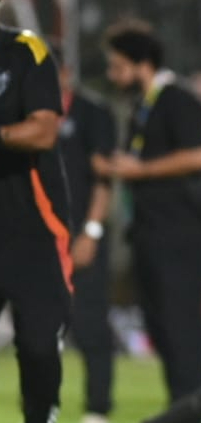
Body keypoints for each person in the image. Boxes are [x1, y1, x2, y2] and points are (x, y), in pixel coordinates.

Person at [96, 19, 201, 407]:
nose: (112, 75)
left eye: (117, 66)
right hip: (151, 229)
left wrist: (140, 169)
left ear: (140, 63)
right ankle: (179, 403)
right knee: (160, 321)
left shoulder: (177, 99)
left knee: (180, 320)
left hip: (182, 231)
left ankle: (191, 403)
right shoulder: (144, 106)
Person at [0, 25, 73, 423]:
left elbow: (44, 130)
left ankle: (42, 413)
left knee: (40, 345)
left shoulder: (26, 51)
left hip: (31, 227)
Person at [53, 47, 117, 423]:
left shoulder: (93, 114)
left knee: (91, 322)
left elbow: (103, 178)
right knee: (36, 328)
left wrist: (91, 232)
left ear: (66, 72)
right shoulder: (21, 110)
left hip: (80, 233)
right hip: (35, 236)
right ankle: (42, 405)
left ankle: (97, 408)